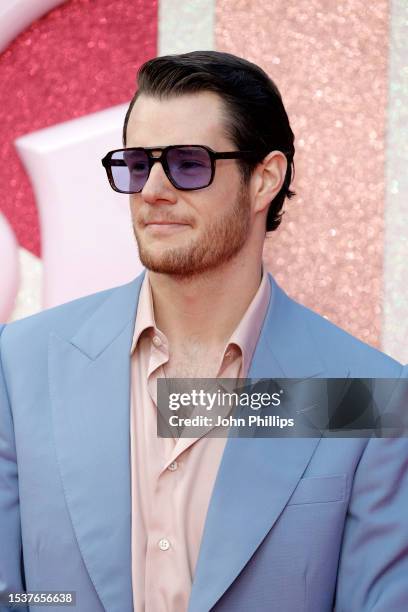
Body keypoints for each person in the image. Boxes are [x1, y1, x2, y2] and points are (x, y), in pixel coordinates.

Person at [0, 50, 407, 612]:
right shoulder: (20, 368)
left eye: (188, 163)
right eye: (139, 164)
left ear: (265, 179)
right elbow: (16, 596)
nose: (153, 191)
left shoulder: (364, 393)